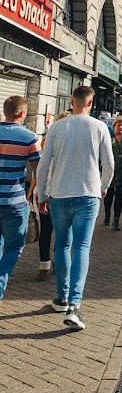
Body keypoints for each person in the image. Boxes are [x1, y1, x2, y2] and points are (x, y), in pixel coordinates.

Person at [36, 86, 114, 331]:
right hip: (87, 194)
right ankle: (74, 305)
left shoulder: (56, 127)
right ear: (91, 103)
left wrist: (43, 193)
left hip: (59, 194)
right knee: (82, 247)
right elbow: (109, 163)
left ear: (71, 101)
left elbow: (43, 164)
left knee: (62, 245)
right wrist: (102, 187)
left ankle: (62, 297)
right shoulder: (99, 127)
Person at [0, 95, 41, 301]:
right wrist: (37, 194)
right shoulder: (29, 138)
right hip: (14, 202)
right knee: (14, 246)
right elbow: (39, 170)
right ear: (23, 113)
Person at [36, 110, 71, 279]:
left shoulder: (47, 141)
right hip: (61, 193)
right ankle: (58, 264)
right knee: (61, 232)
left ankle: (44, 265)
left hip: (48, 191)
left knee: (46, 230)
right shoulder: (70, 146)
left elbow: (41, 170)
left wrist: (39, 192)